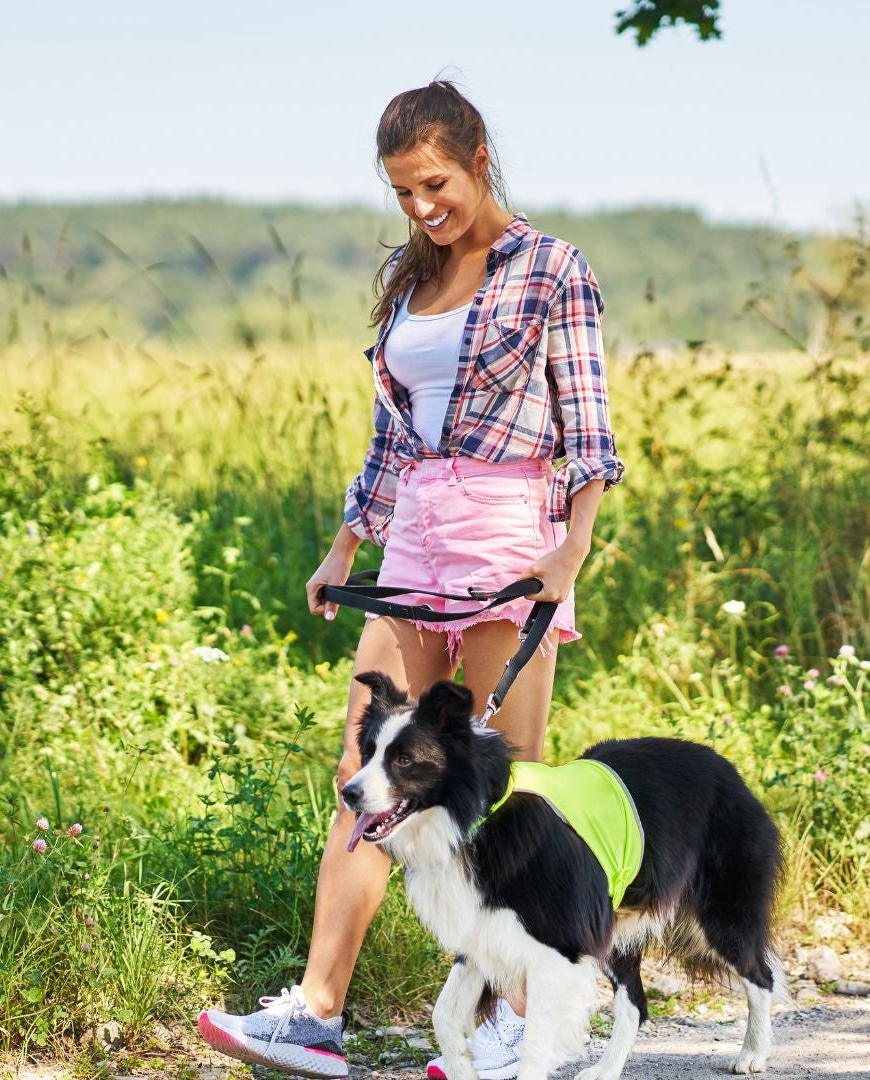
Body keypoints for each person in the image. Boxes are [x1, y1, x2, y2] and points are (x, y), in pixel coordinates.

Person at [197, 80, 625, 1080]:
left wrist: (573, 548)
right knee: (366, 771)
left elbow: (591, 431)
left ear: (478, 158)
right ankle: (315, 1011)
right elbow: (396, 433)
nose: (422, 207)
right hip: (416, 540)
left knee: (502, 788)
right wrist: (349, 542)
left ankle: (531, 1014)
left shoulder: (552, 269)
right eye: (401, 192)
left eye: (434, 183)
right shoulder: (411, 278)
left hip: (503, 538)